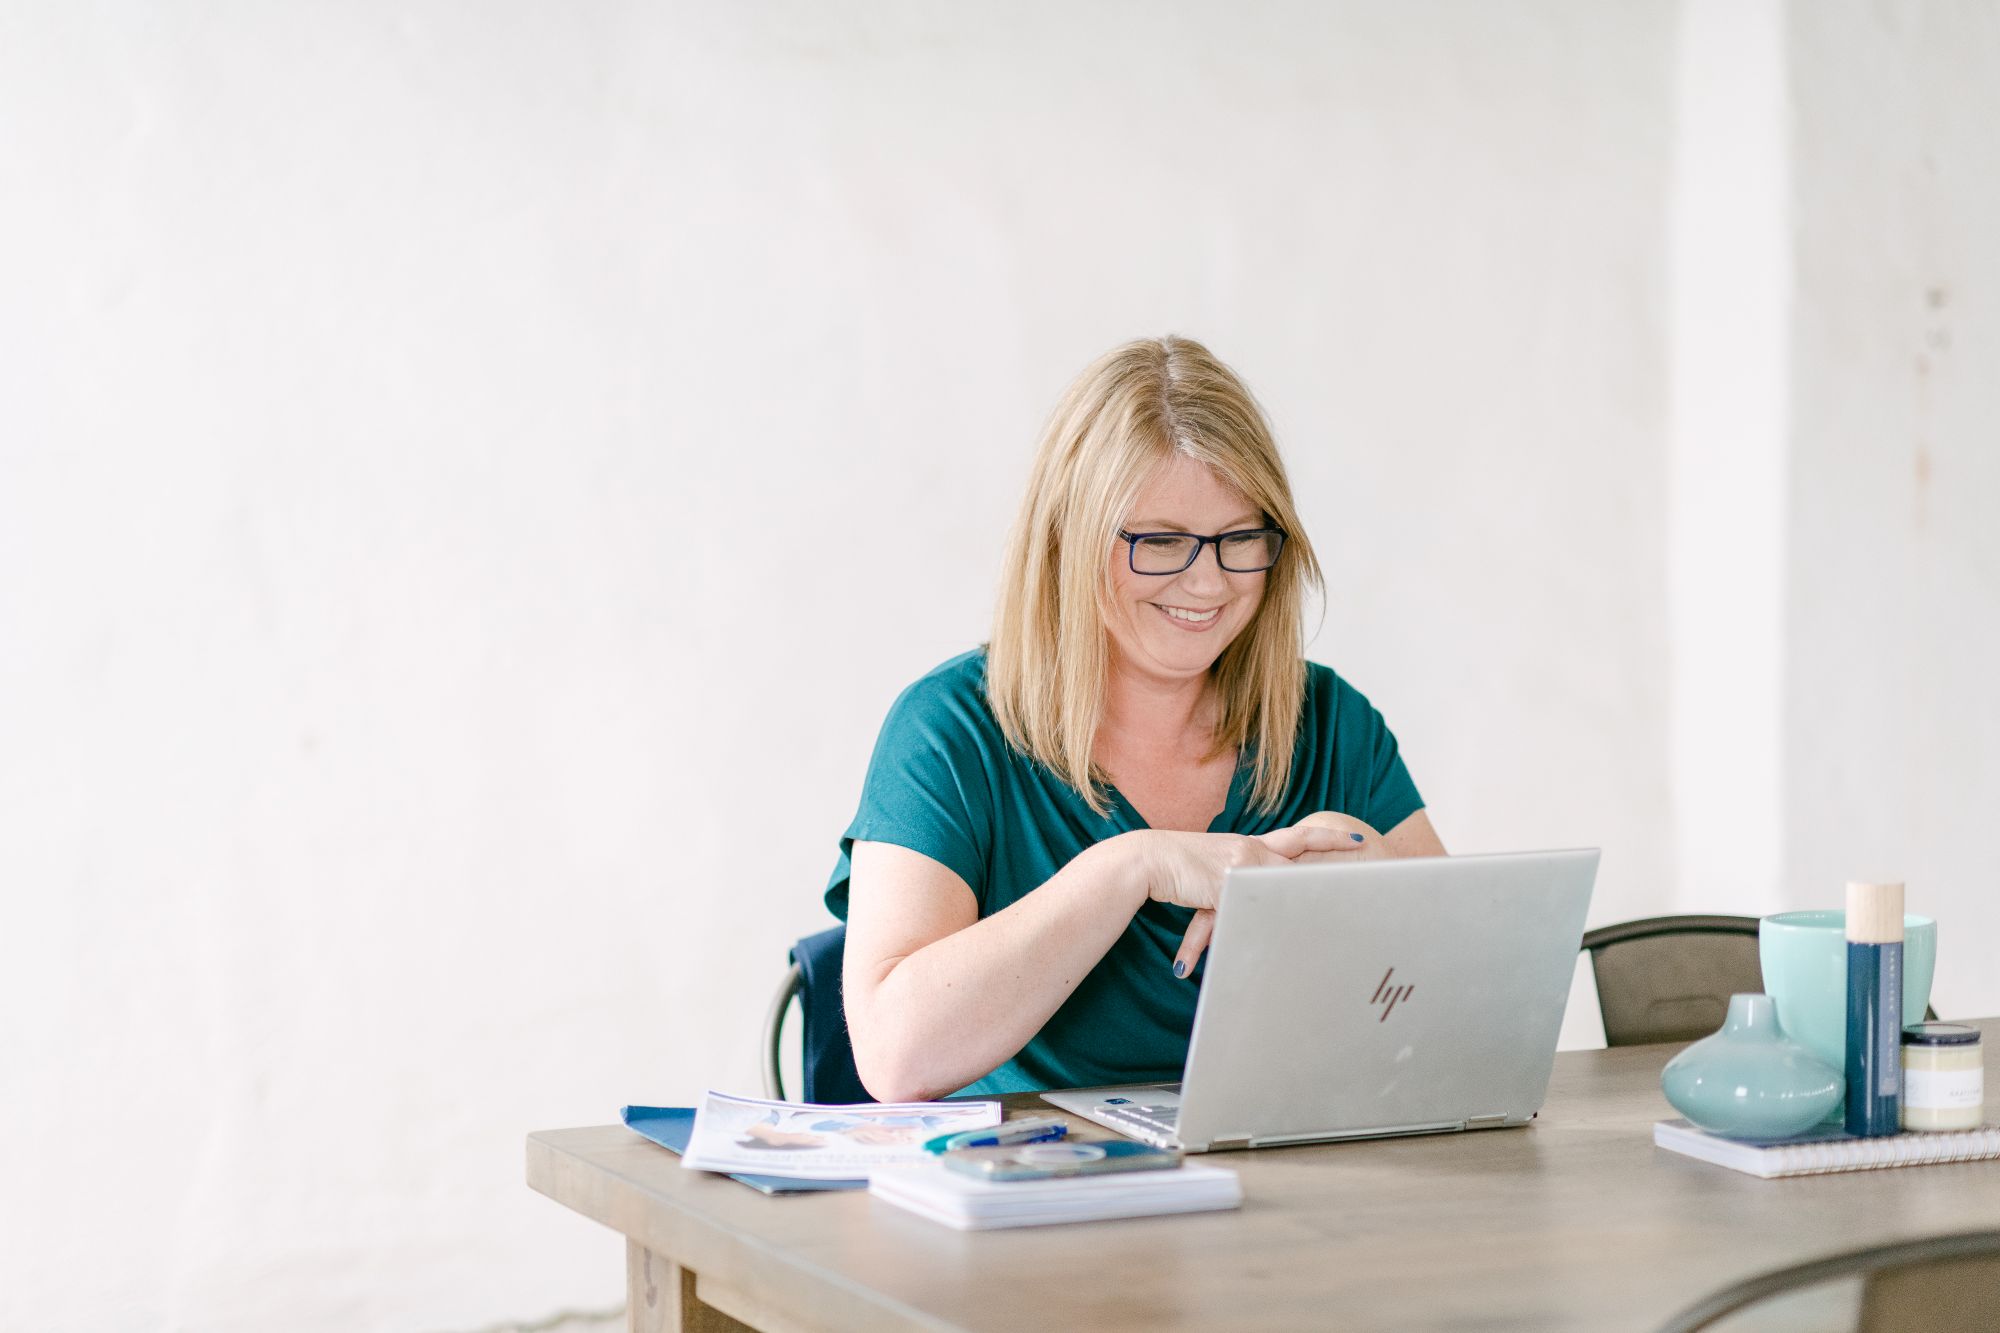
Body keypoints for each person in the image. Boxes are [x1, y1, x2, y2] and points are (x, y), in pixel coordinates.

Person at [825, 336, 1446, 1103]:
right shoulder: (948, 732)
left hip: (1293, 1197)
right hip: (1034, 1199)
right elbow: (894, 1057)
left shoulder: (1332, 723)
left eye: (1241, 538)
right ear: (1067, 541)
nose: (1209, 580)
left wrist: (1392, 903)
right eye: (1160, 542)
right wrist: (1134, 865)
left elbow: (1472, 1019)